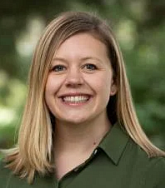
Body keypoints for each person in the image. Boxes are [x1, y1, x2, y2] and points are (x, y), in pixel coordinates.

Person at [0, 11, 165, 188]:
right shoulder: (6, 174)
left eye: (89, 66)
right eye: (58, 68)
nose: (74, 80)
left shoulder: (154, 173)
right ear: (41, 82)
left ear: (114, 82)